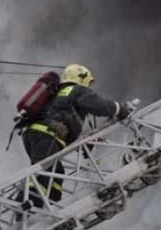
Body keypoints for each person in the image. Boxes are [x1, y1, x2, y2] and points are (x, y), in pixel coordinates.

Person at [20, 64, 131, 206]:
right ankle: (25, 212)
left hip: (37, 135)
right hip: (46, 136)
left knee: (56, 174)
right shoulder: (77, 90)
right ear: (81, 77)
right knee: (42, 176)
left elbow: (64, 123)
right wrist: (119, 109)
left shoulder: (59, 94)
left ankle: (49, 205)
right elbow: (98, 105)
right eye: (89, 82)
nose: (89, 86)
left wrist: (86, 144)